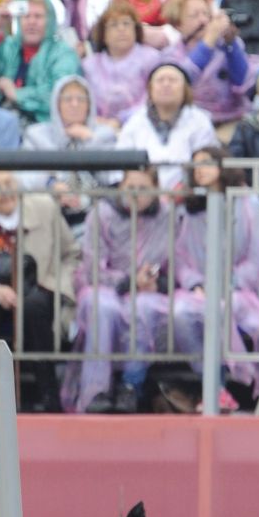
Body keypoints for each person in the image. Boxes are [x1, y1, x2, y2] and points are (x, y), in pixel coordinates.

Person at [63, 162, 198, 413]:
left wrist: (158, 282)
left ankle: (131, 385)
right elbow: (93, 268)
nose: (136, 193)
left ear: (156, 188)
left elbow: (178, 261)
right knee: (101, 307)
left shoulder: (169, 216)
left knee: (144, 307)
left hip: (151, 291)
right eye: (130, 187)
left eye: (143, 187)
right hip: (107, 288)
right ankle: (96, 389)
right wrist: (129, 281)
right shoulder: (101, 214)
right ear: (121, 186)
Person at [0, 167, 76, 409]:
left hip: (42, 286)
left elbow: (71, 255)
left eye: (8, 183)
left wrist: (53, 284)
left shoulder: (46, 209)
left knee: (34, 305)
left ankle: (47, 391)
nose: (4, 192)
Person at [178, 142, 259, 403]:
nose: (200, 170)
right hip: (200, 291)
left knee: (223, 308)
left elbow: (257, 259)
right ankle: (212, 382)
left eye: (207, 163)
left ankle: (227, 383)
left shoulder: (249, 204)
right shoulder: (191, 210)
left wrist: (225, 283)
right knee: (179, 314)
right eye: (196, 166)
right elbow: (181, 258)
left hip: (240, 290)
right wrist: (195, 283)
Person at [0, 0, 80, 125]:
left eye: (38, 16)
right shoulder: (9, 46)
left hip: (44, 128)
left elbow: (59, 94)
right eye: (26, 16)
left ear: (50, 21)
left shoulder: (63, 53)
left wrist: (16, 94)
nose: (31, 22)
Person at [116, 53, 218, 186]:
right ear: (150, 89)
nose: (166, 85)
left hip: (189, 199)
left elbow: (205, 165)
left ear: (185, 89)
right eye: (160, 80)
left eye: (173, 80)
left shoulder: (200, 121)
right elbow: (120, 165)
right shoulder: (135, 122)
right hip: (143, 198)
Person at [20, 74, 119, 211]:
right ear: (56, 104)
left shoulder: (104, 135)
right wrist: (51, 185)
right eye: (67, 99)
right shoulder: (37, 135)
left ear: (90, 105)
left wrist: (89, 139)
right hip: (50, 208)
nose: (75, 104)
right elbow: (25, 176)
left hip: (97, 210)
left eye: (81, 99)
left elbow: (112, 176)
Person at [168, 0, 255, 128]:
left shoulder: (226, 45)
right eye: (194, 16)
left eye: (205, 14)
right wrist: (208, 41)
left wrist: (231, 44)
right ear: (178, 24)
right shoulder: (171, 54)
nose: (203, 21)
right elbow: (184, 78)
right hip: (190, 124)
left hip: (232, 119)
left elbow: (242, 82)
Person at [84, 0, 159, 122]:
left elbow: (154, 99)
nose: (121, 29)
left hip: (143, 124)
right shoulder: (89, 65)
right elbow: (86, 102)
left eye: (126, 23)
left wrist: (121, 120)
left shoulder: (151, 58)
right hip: (100, 127)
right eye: (114, 25)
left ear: (136, 30)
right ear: (103, 34)